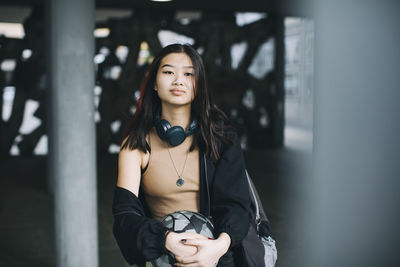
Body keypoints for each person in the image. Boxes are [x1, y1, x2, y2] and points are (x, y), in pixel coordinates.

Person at [113, 43, 251, 267]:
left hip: (216, 254)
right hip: (163, 254)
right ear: (155, 84)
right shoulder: (135, 145)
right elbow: (124, 215)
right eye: (168, 72)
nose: (178, 80)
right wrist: (165, 240)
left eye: (189, 74)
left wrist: (217, 248)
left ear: (199, 85)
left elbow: (236, 205)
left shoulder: (222, 139)